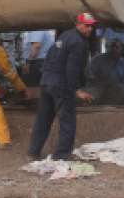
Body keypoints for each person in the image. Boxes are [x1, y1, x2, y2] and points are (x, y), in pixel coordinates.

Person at [27, 14, 95, 161]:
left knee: (43, 118)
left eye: (91, 26)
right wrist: (76, 90)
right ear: (78, 24)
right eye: (86, 25)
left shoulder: (65, 35)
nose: (90, 29)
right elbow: (72, 69)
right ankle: (61, 155)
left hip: (47, 81)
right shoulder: (78, 42)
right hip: (61, 84)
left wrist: (46, 77)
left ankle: (33, 151)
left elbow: (50, 56)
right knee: (67, 120)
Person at [85, 40, 124, 105]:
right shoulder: (97, 59)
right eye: (112, 47)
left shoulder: (123, 63)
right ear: (107, 48)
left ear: (121, 48)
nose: (114, 49)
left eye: (116, 47)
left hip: (112, 89)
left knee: (121, 90)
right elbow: (88, 74)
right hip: (97, 87)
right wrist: (98, 81)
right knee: (91, 94)